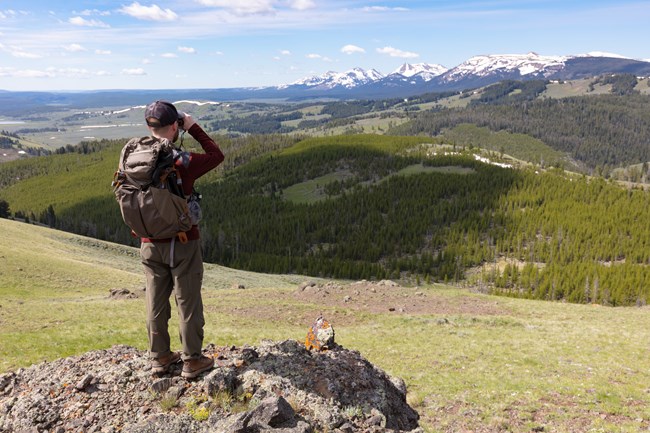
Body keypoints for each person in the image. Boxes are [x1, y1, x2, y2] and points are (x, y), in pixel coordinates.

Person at [140, 100, 224, 378]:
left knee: (156, 300)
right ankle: (191, 360)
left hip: (149, 242)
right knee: (187, 302)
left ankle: (160, 357)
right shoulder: (180, 160)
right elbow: (216, 155)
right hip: (183, 242)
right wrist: (193, 127)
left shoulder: (134, 155)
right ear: (174, 126)